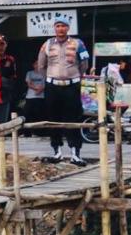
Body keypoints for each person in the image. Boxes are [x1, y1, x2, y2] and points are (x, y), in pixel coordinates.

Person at [34, 16, 90, 165]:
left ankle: (75, 153)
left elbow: (84, 63)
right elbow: (41, 65)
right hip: (53, 86)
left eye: (63, 26)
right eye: (58, 26)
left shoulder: (78, 43)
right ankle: (57, 152)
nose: (61, 29)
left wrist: (76, 76)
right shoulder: (47, 44)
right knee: (53, 119)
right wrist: (49, 79)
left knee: (73, 118)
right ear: (54, 28)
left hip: (72, 86)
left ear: (68, 28)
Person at [22, 67, 46, 135]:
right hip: (30, 97)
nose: (37, 65)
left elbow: (45, 83)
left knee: (39, 115)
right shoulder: (29, 73)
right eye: (36, 63)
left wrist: (40, 90)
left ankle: (38, 132)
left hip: (41, 97)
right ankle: (26, 132)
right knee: (27, 115)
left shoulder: (44, 73)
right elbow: (29, 83)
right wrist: (36, 88)